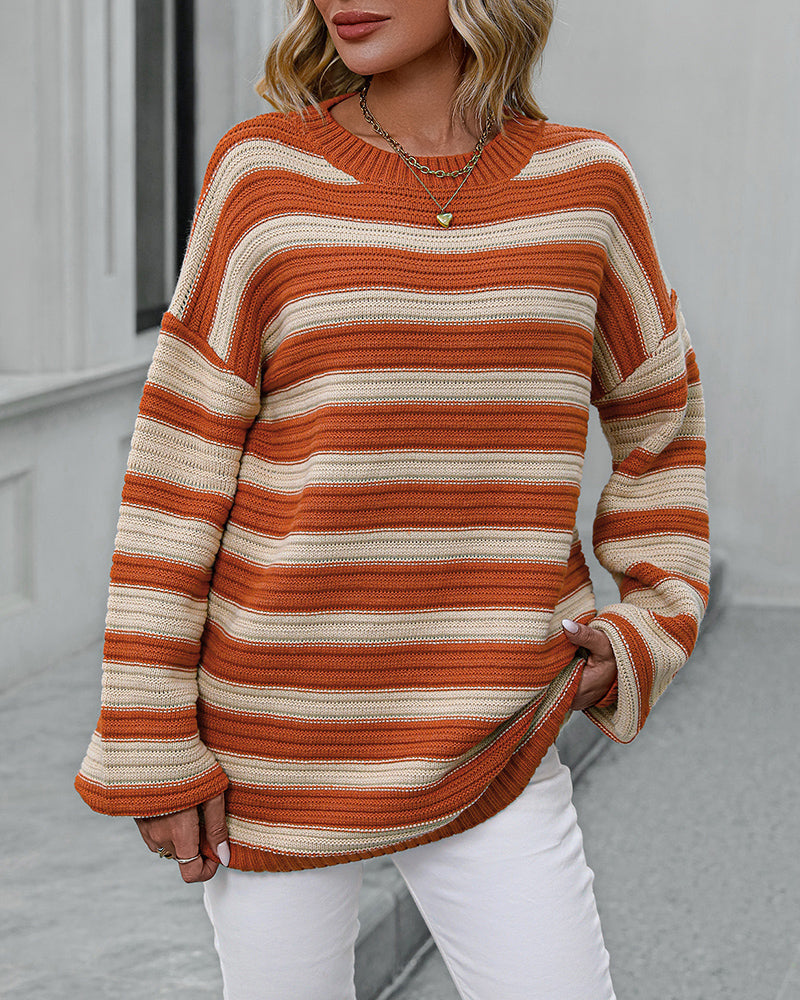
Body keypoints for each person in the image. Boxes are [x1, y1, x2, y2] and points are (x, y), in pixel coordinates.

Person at [76, 1, 710, 997]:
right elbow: (177, 469)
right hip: (269, 744)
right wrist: (150, 731)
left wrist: (652, 620)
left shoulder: (586, 185)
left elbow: (659, 417)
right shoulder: (262, 175)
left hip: (495, 728)